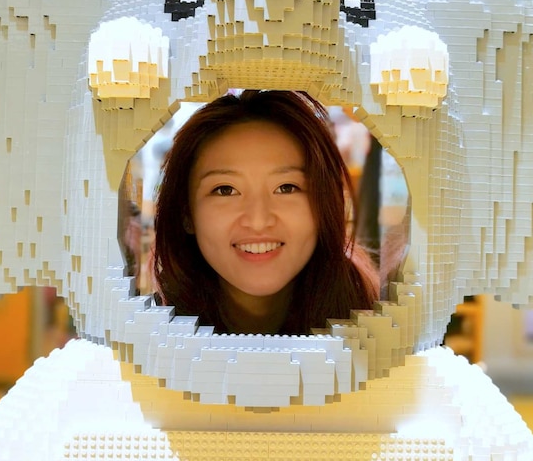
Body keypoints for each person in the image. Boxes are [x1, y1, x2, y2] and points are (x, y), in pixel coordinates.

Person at [149, 89, 380, 334]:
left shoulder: (379, 327)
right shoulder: (148, 338)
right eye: (226, 190)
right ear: (187, 214)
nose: (258, 221)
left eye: (286, 187)